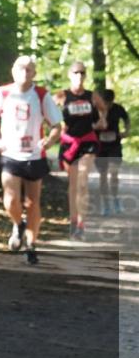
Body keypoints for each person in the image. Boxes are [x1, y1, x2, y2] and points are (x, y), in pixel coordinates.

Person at [0, 56, 62, 265]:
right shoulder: (3, 93)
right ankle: (17, 223)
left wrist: (49, 140)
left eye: (29, 69)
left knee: (32, 203)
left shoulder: (40, 95)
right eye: (21, 68)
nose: (25, 72)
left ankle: (31, 245)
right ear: (13, 70)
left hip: (34, 155)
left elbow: (57, 125)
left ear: (34, 73)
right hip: (10, 153)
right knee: (11, 200)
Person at [58, 61, 107, 240]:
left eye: (82, 73)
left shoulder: (91, 96)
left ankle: (81, 224)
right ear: (69, 75)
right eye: (76, 72)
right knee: (73, 186)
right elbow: (48, 114)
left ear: (86, 76)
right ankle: (73, 222)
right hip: (69, 144)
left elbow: (103, 110)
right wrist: (57, 126)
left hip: (88, 142)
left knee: (82, 181)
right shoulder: (62, 96)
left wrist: (102, 120)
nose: (79, 76)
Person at [95, 89, 130, 215]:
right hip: (100, 146)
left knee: (114, 173)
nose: (107, 105)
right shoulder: (95, 110)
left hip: (114, 145)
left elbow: (126, 119)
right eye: (105, 103)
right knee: (103, 176)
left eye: (109, 103)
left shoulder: (118, 108)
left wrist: (126, 131)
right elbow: (89, 125)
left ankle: (115, 199)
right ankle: (106, 204)